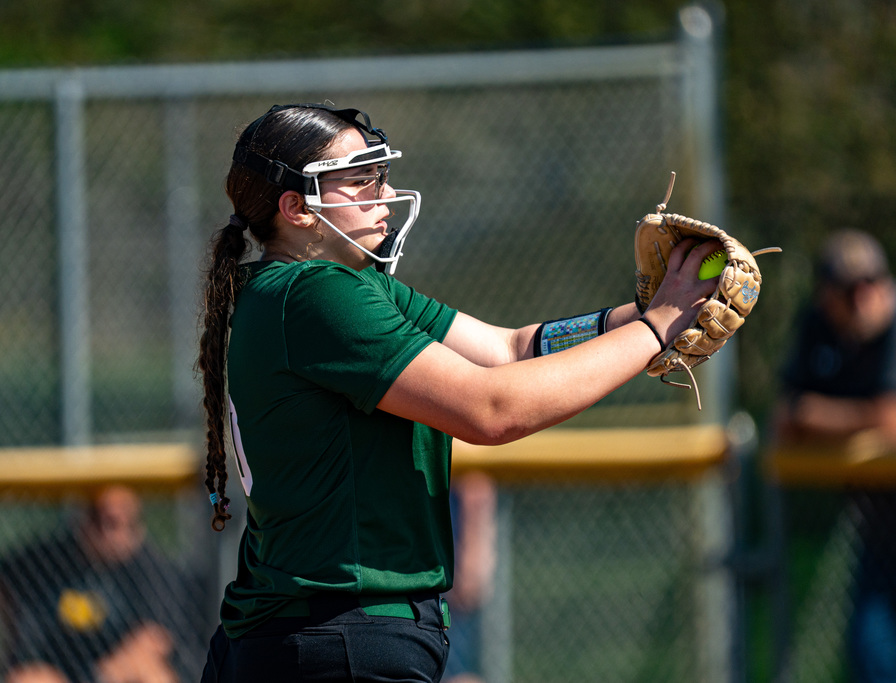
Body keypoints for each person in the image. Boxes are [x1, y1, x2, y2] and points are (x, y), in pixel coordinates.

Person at [196, 102, 720, 682]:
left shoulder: (327, 287)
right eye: (358, 177)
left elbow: (512, 348)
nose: (382, 189)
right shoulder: (316, 293)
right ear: (294, 208)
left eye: (380, 172)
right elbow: (491, 410)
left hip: (303, 632)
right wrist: (657, 329)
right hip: (338, 632)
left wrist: (650, 308)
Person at [773, 229, 896, 683]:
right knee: (871, 654)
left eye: (874, 282)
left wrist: (815, 416)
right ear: (828, 297)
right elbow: (784, 421)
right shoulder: (818, 326)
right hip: (878, 528)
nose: (866, 298)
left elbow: (891, 421)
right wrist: (861, 416)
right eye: (851, 288)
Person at [0, 485, 199, 683]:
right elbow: (3, 576)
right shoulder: (52, 562)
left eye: (116, 523)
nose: (108, 534)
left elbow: (152, 642)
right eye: (98, 521)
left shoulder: (153, 571)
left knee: (154, 676)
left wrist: (98, 677)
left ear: (137, 527)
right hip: (63, 672)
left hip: (115, 674)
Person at [443, 471, 497, 683]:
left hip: (452, 583)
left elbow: (476, 487)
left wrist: (473, 554)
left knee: (460, 675)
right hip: (433, 573)